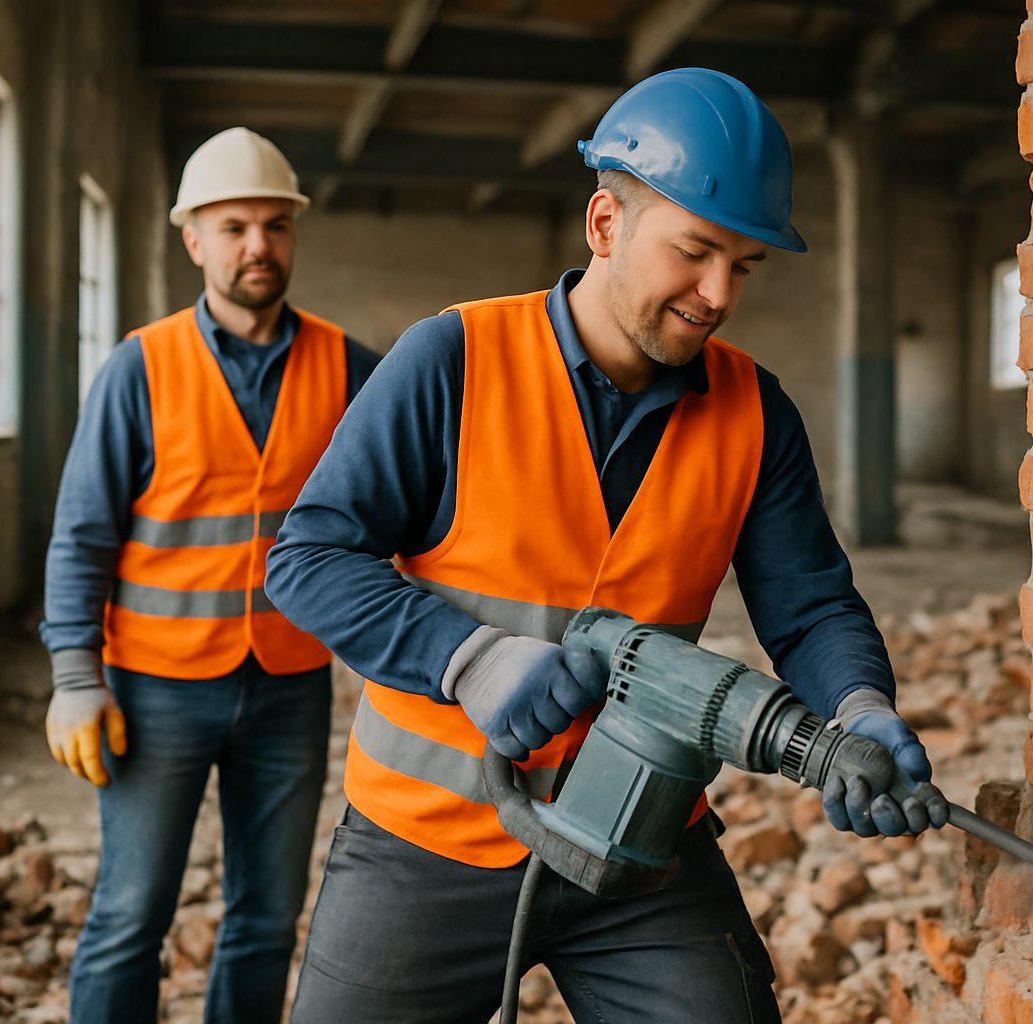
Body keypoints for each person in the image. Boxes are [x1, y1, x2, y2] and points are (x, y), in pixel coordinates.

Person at [267, 69, 943, 1024]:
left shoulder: (757, 414)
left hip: (644, 838)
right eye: (695, 251)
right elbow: (308, 558)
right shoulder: (453, 359)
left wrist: (860, 706)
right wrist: (469, 660)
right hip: (427, 844)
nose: (717, 294)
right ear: (604, 224)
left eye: (744, 265)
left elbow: (813, 608)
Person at [38, 126, 380, 1024]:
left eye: (275, 225)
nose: (258, 245)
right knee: (130, 915)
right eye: (234, 227)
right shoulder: (139, 368)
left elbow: (413, 500)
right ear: (193, 240)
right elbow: (81, 535)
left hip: (290, 686)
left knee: (265, 920)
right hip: (155, 690)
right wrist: (75, 678)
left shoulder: (350, 368)